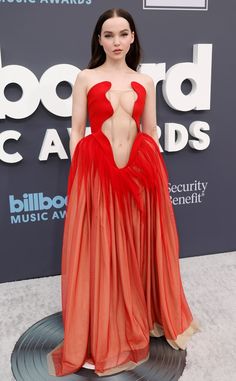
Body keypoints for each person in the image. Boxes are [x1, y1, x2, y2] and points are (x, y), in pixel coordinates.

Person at [47, 7, 201, 378]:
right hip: (99, 178)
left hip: (137, 179)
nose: (116, 41)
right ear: (99, 40)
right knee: (104, 251)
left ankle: (139, 315)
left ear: (133, 38)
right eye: (109, 34)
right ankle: (107, 324)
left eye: (123, 34)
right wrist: (82, 170)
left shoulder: (144, 82)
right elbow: (77, 129)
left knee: (135, 246)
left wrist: (149, 172)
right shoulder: (85, 77)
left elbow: (150, 131)